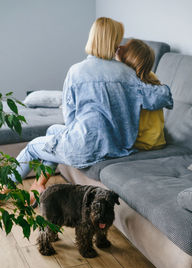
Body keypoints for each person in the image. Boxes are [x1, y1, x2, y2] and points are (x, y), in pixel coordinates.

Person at [0, 17, 173, 205]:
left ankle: (2, 192)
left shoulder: (76, 71)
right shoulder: (128, 73)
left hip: (85, 149)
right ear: (112, 41)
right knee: (52, 131)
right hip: (117, 148)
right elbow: (161, 97)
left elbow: (70, 118)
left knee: (33, 147)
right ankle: (38, 186)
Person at [116, 38, 166, 150]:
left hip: (141, 142)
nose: (119, 48)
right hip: (158, 140)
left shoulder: (128, 83)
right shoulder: (151, 76)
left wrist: (119, 63)